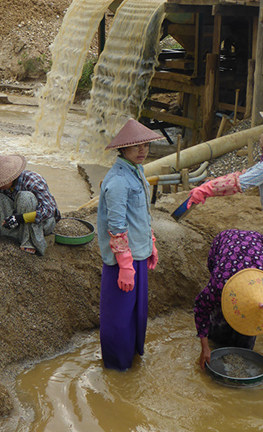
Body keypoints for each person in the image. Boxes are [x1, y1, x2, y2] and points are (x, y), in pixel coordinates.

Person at [186, 111, 263, 299]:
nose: (260, 136)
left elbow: (239, 183)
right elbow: (241, 174)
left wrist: (207, 189)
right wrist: (210, 183)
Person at [96, 118, 164, 370]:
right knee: (119, 318)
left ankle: (133, 358)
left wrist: (151, 244)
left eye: (145, 145)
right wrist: (125, 265)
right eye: (136, 146)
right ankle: (116, 366)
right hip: (122, 263)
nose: (142, 150)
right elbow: (116, 228)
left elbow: (142, 215)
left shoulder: (138, 172)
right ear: (122, 149)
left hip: (139, 254)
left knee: (137, 312)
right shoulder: (117, 182)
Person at [194, 229, 263, 373]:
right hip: (226, 242)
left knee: (247, 338)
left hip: (259, 243)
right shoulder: (220, 283)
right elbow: (201, 307)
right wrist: (205, 347)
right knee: (218, 315)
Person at [0, 154, 60, 255]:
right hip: (15, 225)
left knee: (25, 197)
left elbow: (50, 210)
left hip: (40, 223)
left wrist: (19, 218)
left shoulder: (33, 181)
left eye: (2, 182)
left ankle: (28, 242)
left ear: (11, 176)